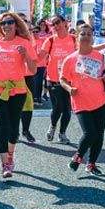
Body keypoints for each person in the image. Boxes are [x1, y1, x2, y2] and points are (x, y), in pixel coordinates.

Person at [0, 11, 37, 178]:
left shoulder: (24, 42)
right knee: (2, 126)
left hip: (18, 90)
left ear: (16, 24)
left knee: (14, 129)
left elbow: (33, 70)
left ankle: (11, 155)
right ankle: (5, 163)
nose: (6, 26)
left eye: (10, 22)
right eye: (3, 23)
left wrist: (25, 55)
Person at [60, 23, 105, 175]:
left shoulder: (101, 57)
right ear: (77, 36)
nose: (86, 37)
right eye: (83, 34)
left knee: (99, 135)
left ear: (93, 38)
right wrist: (70, 89)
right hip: (81, 102)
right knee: (90, 133)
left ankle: (91, 164)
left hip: (100, 100)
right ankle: (78, 156)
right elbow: (62, 79)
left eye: (89, 34)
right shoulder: (70, 59)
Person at [41, 14, 78, 143]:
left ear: (64, 22)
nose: (55, 26)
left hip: (70, 80)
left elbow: (84, 53)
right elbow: (39, 57)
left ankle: (62, 133)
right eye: (53, 24)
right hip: (54, 79)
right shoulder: (50, 40)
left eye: (57, 23)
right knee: (58, 107)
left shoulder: (74, 39)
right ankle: (52, 126)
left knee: (67, 109)